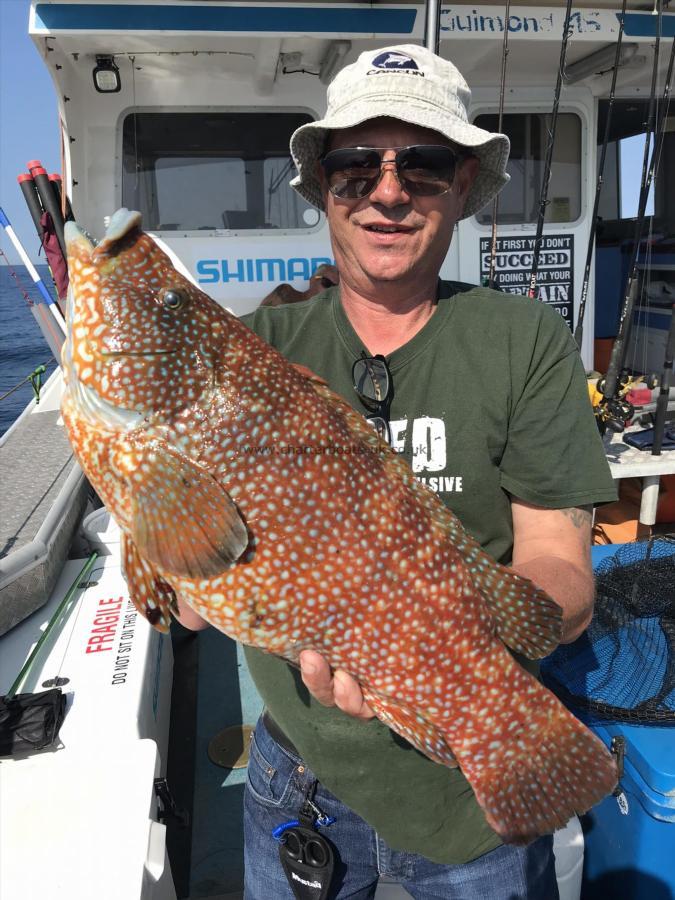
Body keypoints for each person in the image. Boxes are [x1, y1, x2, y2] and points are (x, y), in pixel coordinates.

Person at [178, 44, 617, 898]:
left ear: (462, 186)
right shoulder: (255, 355)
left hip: (468, 794)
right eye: (355, 166)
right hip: (296, 779)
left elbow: (562, 571)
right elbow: (194, 599)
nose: (387, 191)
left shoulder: (521, 340)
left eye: (421, 165)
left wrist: (435, 639)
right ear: (324, 188)